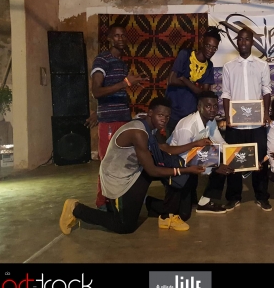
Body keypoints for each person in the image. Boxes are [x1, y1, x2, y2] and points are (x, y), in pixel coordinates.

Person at [59, 98, 207, 235]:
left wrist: (195, 144)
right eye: (160, 115)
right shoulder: (138, 132)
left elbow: (165, 148)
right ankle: (76, 209)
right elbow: (152, 171)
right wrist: (187, 170)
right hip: (118, 177)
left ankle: (166, 215)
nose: (164, 119)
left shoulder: (152, 127)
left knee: (174, 163)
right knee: (125, 226)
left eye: (167, 116)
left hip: (136, 169)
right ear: (150, 113)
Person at [207, 27, 273, 211]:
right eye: (240, 39)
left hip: (256, 123)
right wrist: (228, 116)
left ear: (252, 42)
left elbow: (266, 90)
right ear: (237, 42)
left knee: (260, 160)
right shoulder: (229, 67)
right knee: (233, 160)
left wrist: (266, 113)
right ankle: (233, 197)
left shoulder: (262, 65)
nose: (243, 42)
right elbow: (226, 93)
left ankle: (262, 196)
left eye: (247, 39)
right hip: (235, 125)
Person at [90, 23, 147, 211]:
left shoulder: (121, 63)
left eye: (123, 36)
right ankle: (102, 203)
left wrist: (131, 84)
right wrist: (124, 83)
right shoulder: (102, 60)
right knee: (108, 162)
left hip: (123, 119)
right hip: (109, 121)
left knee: (124, 160)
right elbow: (96, 91)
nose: (120, 39)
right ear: (109, 39)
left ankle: (120, 198)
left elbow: (118, 87)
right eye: (116, 36)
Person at [162, 91, 235, 218]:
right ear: (199, 107)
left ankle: (205, 202)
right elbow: (184, 158)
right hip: (176, 161)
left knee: (225, 160)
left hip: (194, 156)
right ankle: (152, 203)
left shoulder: (210, 120)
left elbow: (220, 142)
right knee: (183, 213)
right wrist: (214, 168)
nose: (213, 110)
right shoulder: (188, 127)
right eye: (208, 106)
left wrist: (239, 155)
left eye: (215, 106)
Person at [164, 26, 221, 137]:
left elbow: (203, 93)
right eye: (208, 46)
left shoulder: (209, 66)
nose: (211, 50)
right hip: (173, 111)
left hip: (191, 113)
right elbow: (171, 80)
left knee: (190, 145)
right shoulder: (185, 55)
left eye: (214, 48)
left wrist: (184, 79)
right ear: (202, 42)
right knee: (173, 143)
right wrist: (195, 86)